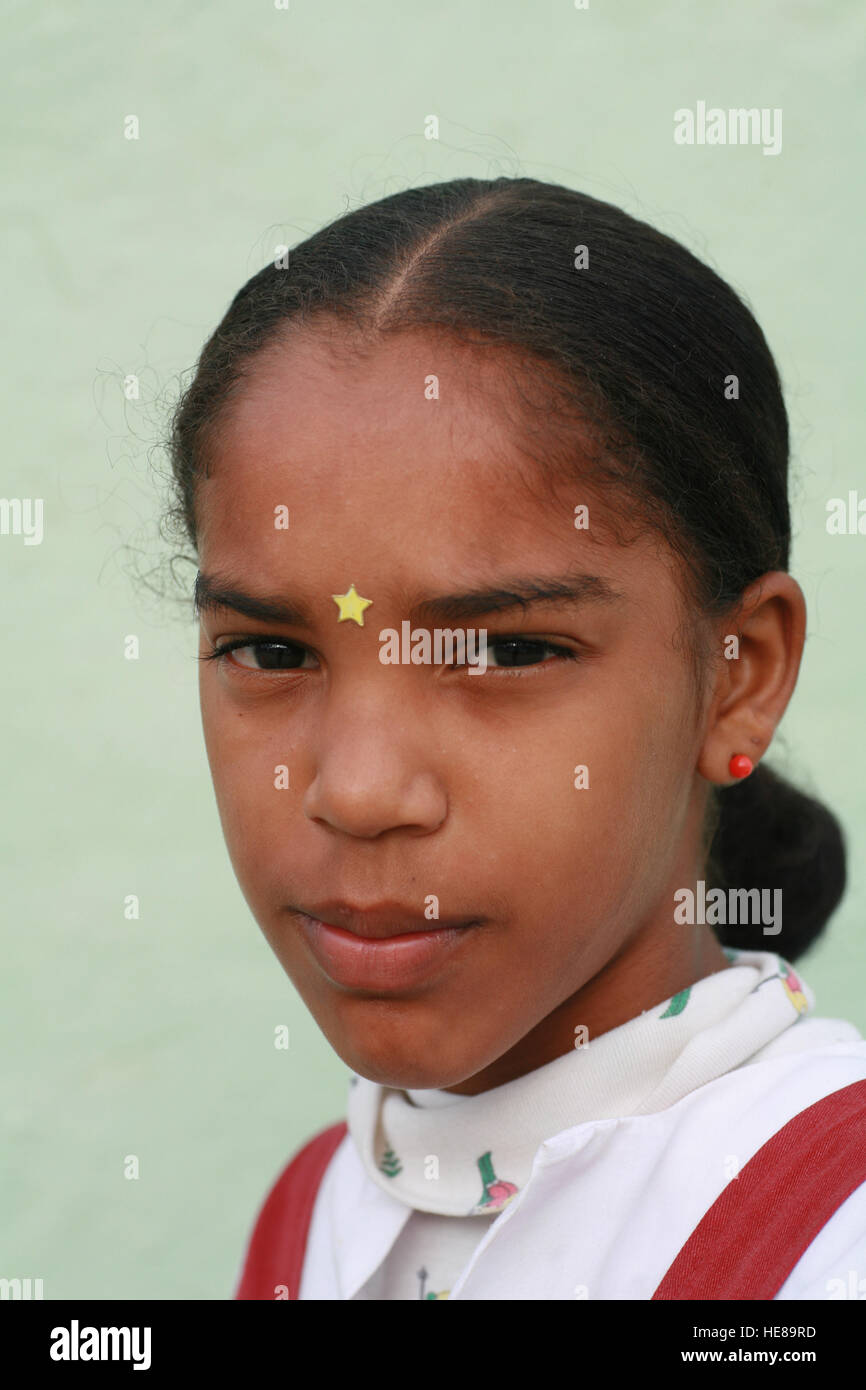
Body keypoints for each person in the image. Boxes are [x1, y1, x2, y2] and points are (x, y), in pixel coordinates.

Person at [164, 176, 866, 1300]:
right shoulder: (314, 1217)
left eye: (500, 651)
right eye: (272, 651)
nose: (357, 788)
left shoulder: (824, 1232)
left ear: (739, 677)